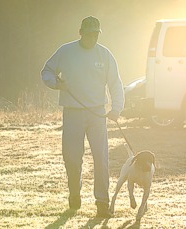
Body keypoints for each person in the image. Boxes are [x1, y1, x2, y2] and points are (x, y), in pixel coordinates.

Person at [41, 16, 125, 218]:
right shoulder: (65, 51)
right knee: (71, 158)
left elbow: (115, 83)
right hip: (72, 112)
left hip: (98, 114)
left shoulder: (105, 55)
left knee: (101, 159)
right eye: (89, 34)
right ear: (81, 33)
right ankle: (74, 193)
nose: (92, 37)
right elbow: (47, 71)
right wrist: (56, 83)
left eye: (96, 34)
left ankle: (102, 202)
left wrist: (116, 109)